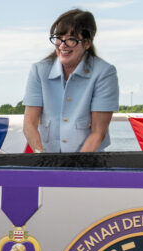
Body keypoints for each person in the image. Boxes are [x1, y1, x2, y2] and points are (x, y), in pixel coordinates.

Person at [23, 9, 118, 153]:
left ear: (87, 43)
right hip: (48, 160)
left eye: (71, 39)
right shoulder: (39, 70)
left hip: (89, 161)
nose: (62, 45)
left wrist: (75, 169)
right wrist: (42, 158)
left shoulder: (104, 72)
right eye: (59, 38)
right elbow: (29, 124)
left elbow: (98, 132)